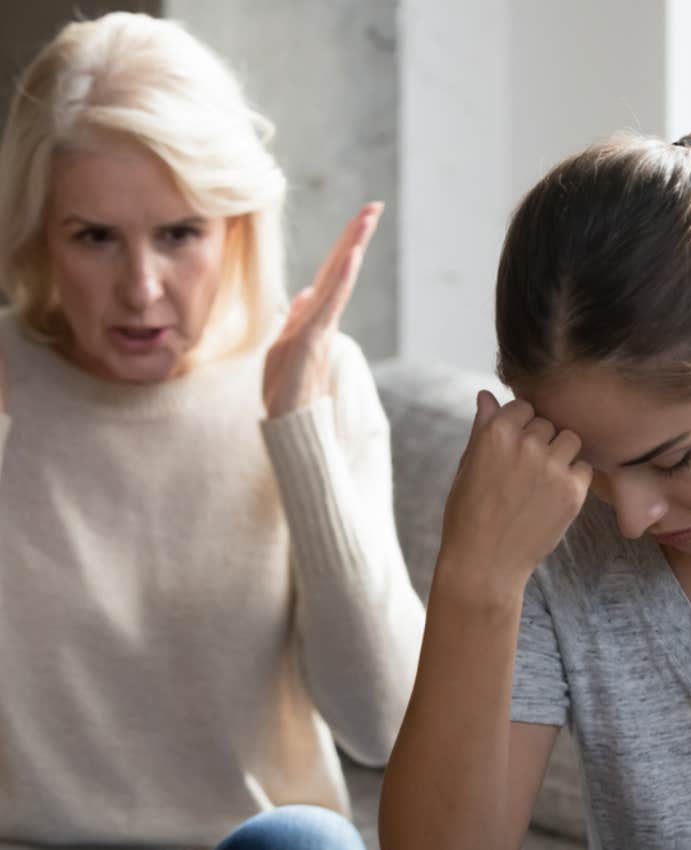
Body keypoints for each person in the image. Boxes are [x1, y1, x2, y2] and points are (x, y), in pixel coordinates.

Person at [0, 11, 424, 849]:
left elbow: (383, 727)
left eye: (179, 233)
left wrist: (298, 427)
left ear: (235, 224)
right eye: (94, 238)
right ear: (41, 234)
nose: (142, 289)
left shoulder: (318, 378)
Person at [379, 131, 691, 849]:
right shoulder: (547, 541)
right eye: (589, 463)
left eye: (674, 459)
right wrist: (476, 577)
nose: (631, 517)